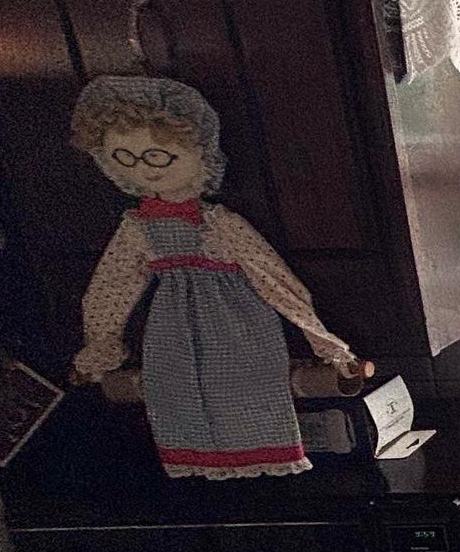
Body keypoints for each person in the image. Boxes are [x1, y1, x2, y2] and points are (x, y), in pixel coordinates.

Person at [68, 76, 361, 478]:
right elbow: (111, 288)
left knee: (249, 390)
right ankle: (201, 455)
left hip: (238, 324)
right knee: (177, 393)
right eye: (126, 158)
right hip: (170, 332)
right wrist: (99, 349)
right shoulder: (137, 227)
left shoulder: (219, 223)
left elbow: (274, 281)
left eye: (158, 157)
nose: (145, 171)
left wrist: (328, 347)